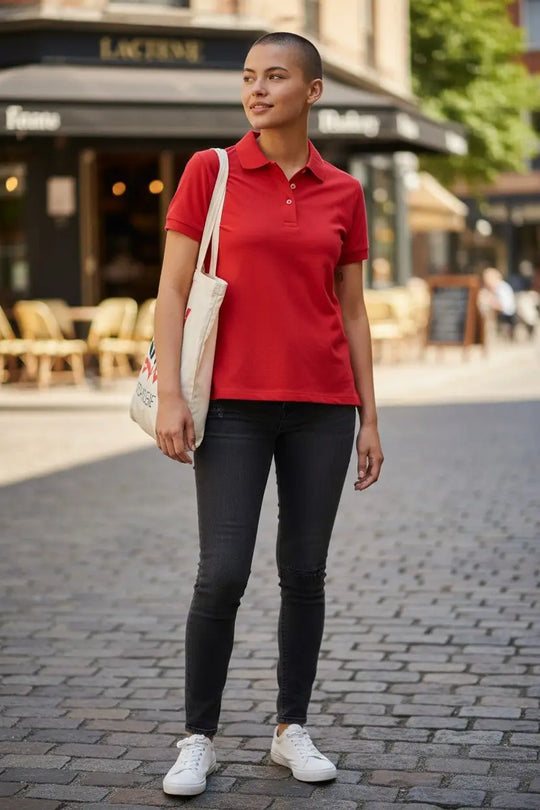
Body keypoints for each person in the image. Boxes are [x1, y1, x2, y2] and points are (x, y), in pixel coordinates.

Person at [153, 31, 383, 797]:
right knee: (220, 575)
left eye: (275, 77)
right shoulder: (209, 171)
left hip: (323, 406)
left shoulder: (344, 191)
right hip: (234, 407)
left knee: (305, 572)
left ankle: (291, 729)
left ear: (312, 91)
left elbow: (352, 312)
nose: (256, 89)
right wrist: (174, 397)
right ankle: (198, 737)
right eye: (249, 77)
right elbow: (173, 292)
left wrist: (371, 419)